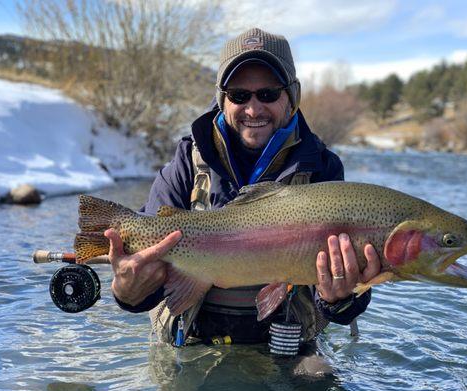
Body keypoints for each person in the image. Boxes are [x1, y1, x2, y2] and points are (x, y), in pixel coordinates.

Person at [104, 28, 381, 347]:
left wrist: (341, 299)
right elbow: (143, 290)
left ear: (292, 95)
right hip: (192, 342)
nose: (253, 109)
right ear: (222, 99)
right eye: (239, 95)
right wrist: (126, 290)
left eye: (268, 94)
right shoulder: (187, 161)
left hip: (283, 346)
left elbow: (339, 308)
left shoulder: (322, 167)